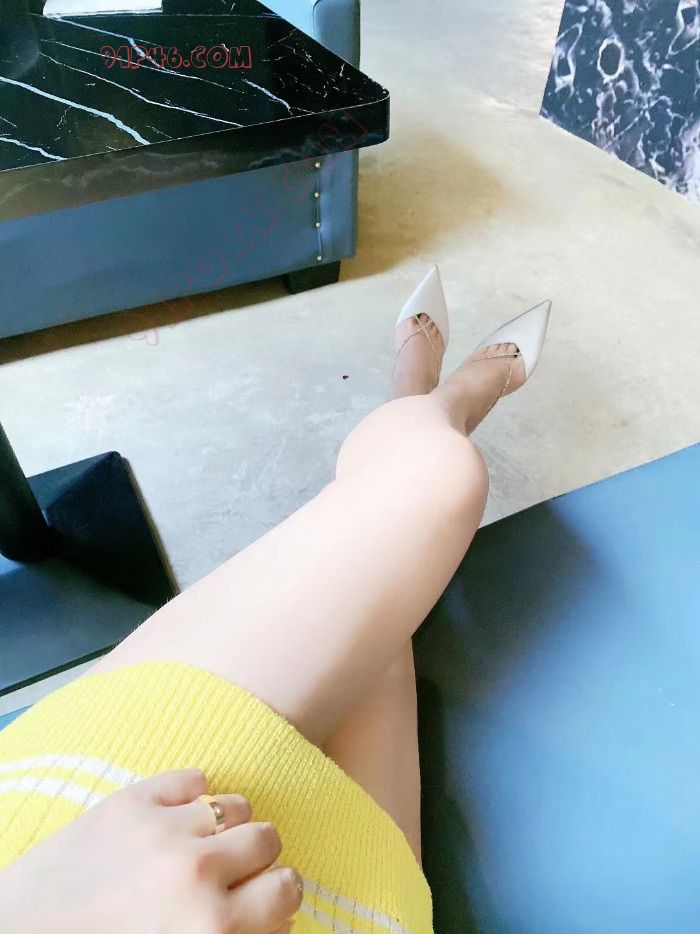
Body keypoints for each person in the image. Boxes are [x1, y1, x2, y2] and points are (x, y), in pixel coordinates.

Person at [0, 267, 550, 933]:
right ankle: (426, 401)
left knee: (432, 487)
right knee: (400, 553)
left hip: (75, 838)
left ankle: (423, 399)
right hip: (355, 909)